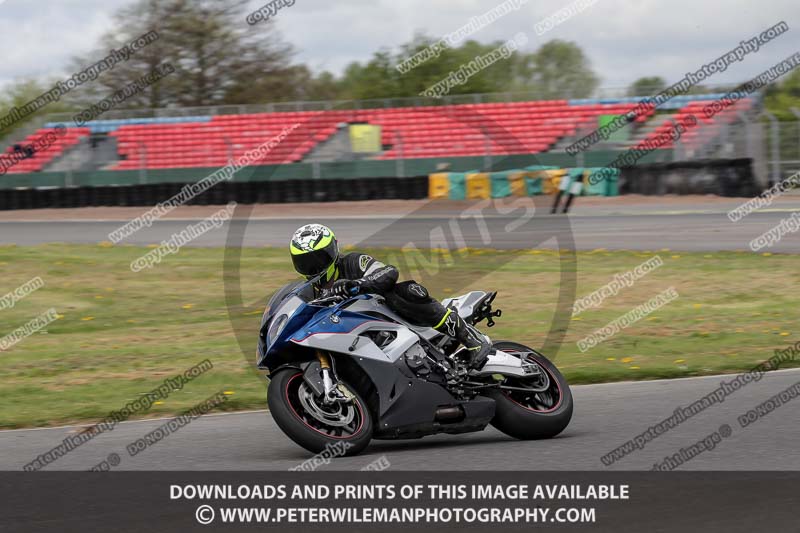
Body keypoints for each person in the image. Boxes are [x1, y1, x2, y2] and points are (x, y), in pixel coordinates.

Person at [289, 223, 492, 369]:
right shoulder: (309, 291)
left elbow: (388, 272)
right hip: (351, 335)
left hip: (388, 318)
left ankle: (471, 337)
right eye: (305, 262)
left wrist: (356, 285)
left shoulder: (352, 262)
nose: (313, 267)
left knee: (405, 291)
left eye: (318, 258)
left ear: (332, 250)